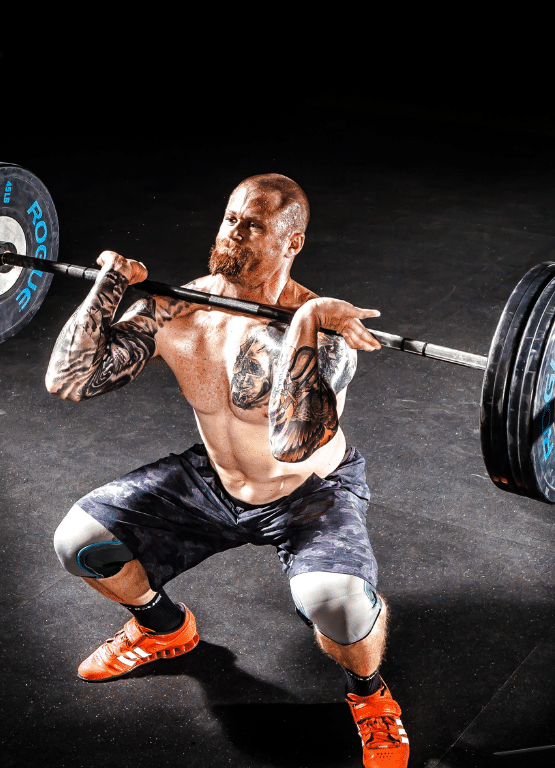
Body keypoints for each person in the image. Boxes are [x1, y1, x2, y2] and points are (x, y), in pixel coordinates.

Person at [46, 173, 408, 767]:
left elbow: (293, 444)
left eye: (255, 225)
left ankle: (370, 697)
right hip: (212, 480)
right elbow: (69, 379)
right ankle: (164, 628)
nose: (234, 232)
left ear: (291, 243)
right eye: (231, 217)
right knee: (80, 542)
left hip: (307, 490)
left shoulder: (325, 329)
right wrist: (109, 286)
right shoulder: (176, 309)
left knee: (336, 602)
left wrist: (306, 326)